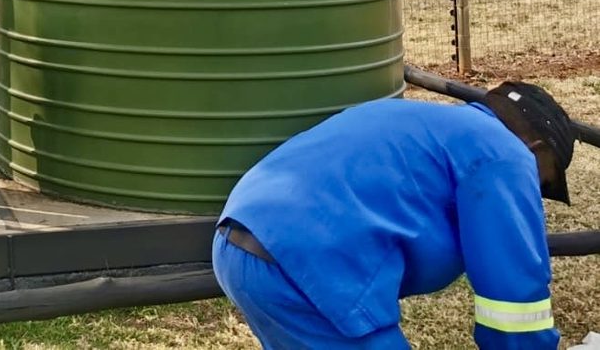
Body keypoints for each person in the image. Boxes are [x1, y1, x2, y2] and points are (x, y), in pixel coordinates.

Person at [213, 82, 575, 348]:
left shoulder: (428, 123)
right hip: (313, 265)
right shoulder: (503, 154)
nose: (535, 194)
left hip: (239, 245)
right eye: (542, 182)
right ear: (536, 148)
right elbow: (514, 298)